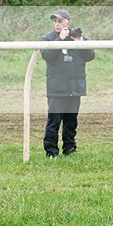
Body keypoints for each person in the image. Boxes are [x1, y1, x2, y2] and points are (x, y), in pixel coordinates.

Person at [41, 9, 95, 158]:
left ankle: (70, 148)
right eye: (55, 21)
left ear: (68, 22)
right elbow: (47, 56)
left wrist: (81, 44)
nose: (57, 24)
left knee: (71, 121)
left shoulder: (78, 37)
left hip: (75, 87)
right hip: (57, 88)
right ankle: (51, 151)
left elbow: (90, 56)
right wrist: (59, 40)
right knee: (54, 121)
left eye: (60, 21)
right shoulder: (48, 38)